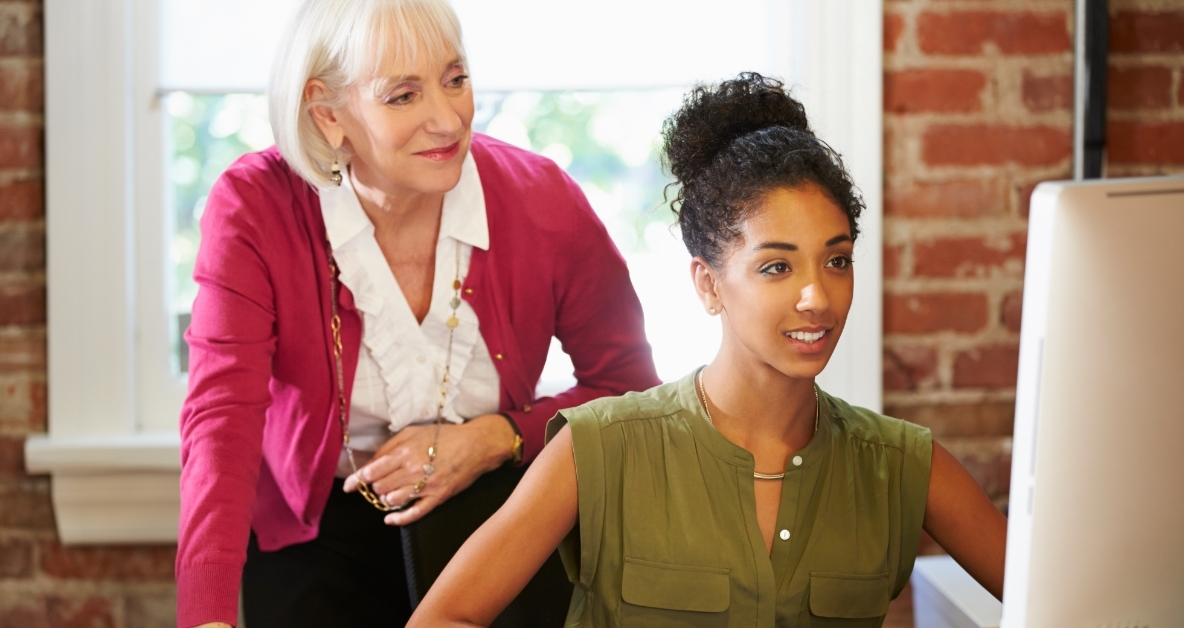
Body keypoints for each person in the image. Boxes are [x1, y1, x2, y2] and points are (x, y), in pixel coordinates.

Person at [409, 73, 1008, 627]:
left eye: (837, 260)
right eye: (776, 266)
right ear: (709, 283)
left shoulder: (901, 465)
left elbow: (1073, 604)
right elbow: (442, 618)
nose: (816, 297)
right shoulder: (600, 449)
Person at [175, 0, 660, 626]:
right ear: (328, 116)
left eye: (455, 80)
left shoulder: (544, 200)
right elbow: (221, 418)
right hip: (317, 528)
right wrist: (205, 615)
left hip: (497, 510)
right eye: (403, 96)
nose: (447, 119)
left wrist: (500, 437)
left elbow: (631, 393)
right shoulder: (254, 207)